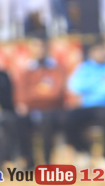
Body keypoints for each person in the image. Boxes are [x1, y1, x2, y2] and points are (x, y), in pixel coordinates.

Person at [66, 37, 105, 169]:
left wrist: (90, 88)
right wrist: (100, 82)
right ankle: (84, 151)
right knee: (67, 119)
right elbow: (74, 86)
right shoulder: (85, 67)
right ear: (91, 53)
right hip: (88, 107)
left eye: (103, 50)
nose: (101, 53)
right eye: (97, 50)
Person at [16, 37, 67, 168]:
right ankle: (29, 162)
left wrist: (33, 95)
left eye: (42, 46)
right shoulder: (26, 69)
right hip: (31, 112)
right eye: (36, 46)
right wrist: (40, 93)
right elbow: (21, 95)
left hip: (53, 111)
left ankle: (47, 162)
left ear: (47, 48)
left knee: (47, 119)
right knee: (18, 121)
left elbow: (55, 95)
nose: (39, 50)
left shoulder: (56, 68)